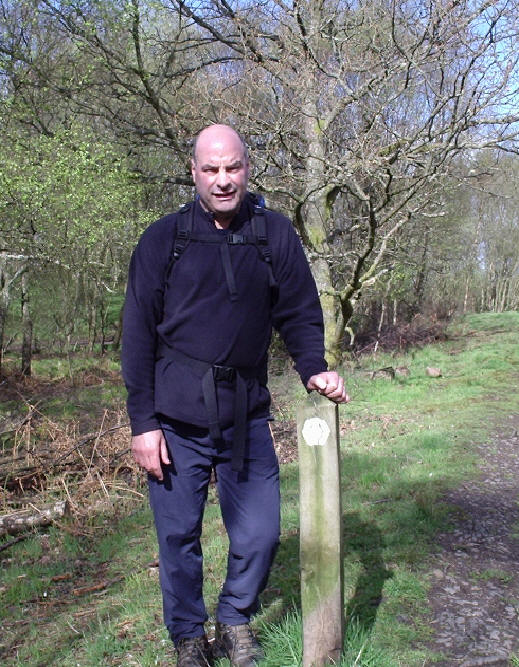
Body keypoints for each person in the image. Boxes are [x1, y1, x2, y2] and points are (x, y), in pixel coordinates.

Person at [122, 124, 349, 667]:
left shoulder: (274, 235)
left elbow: (298, 310)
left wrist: (314, 368)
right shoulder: (163, 240)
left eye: (233, 168)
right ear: (194, 172)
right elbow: (136, 333)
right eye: (211, 169)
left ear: (247, 167)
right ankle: (187, 637)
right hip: (175, 420)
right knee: (178, 538)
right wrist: (143, 423)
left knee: (262, 532)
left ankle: (234, 620)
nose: (223, 180)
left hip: (246, 415)